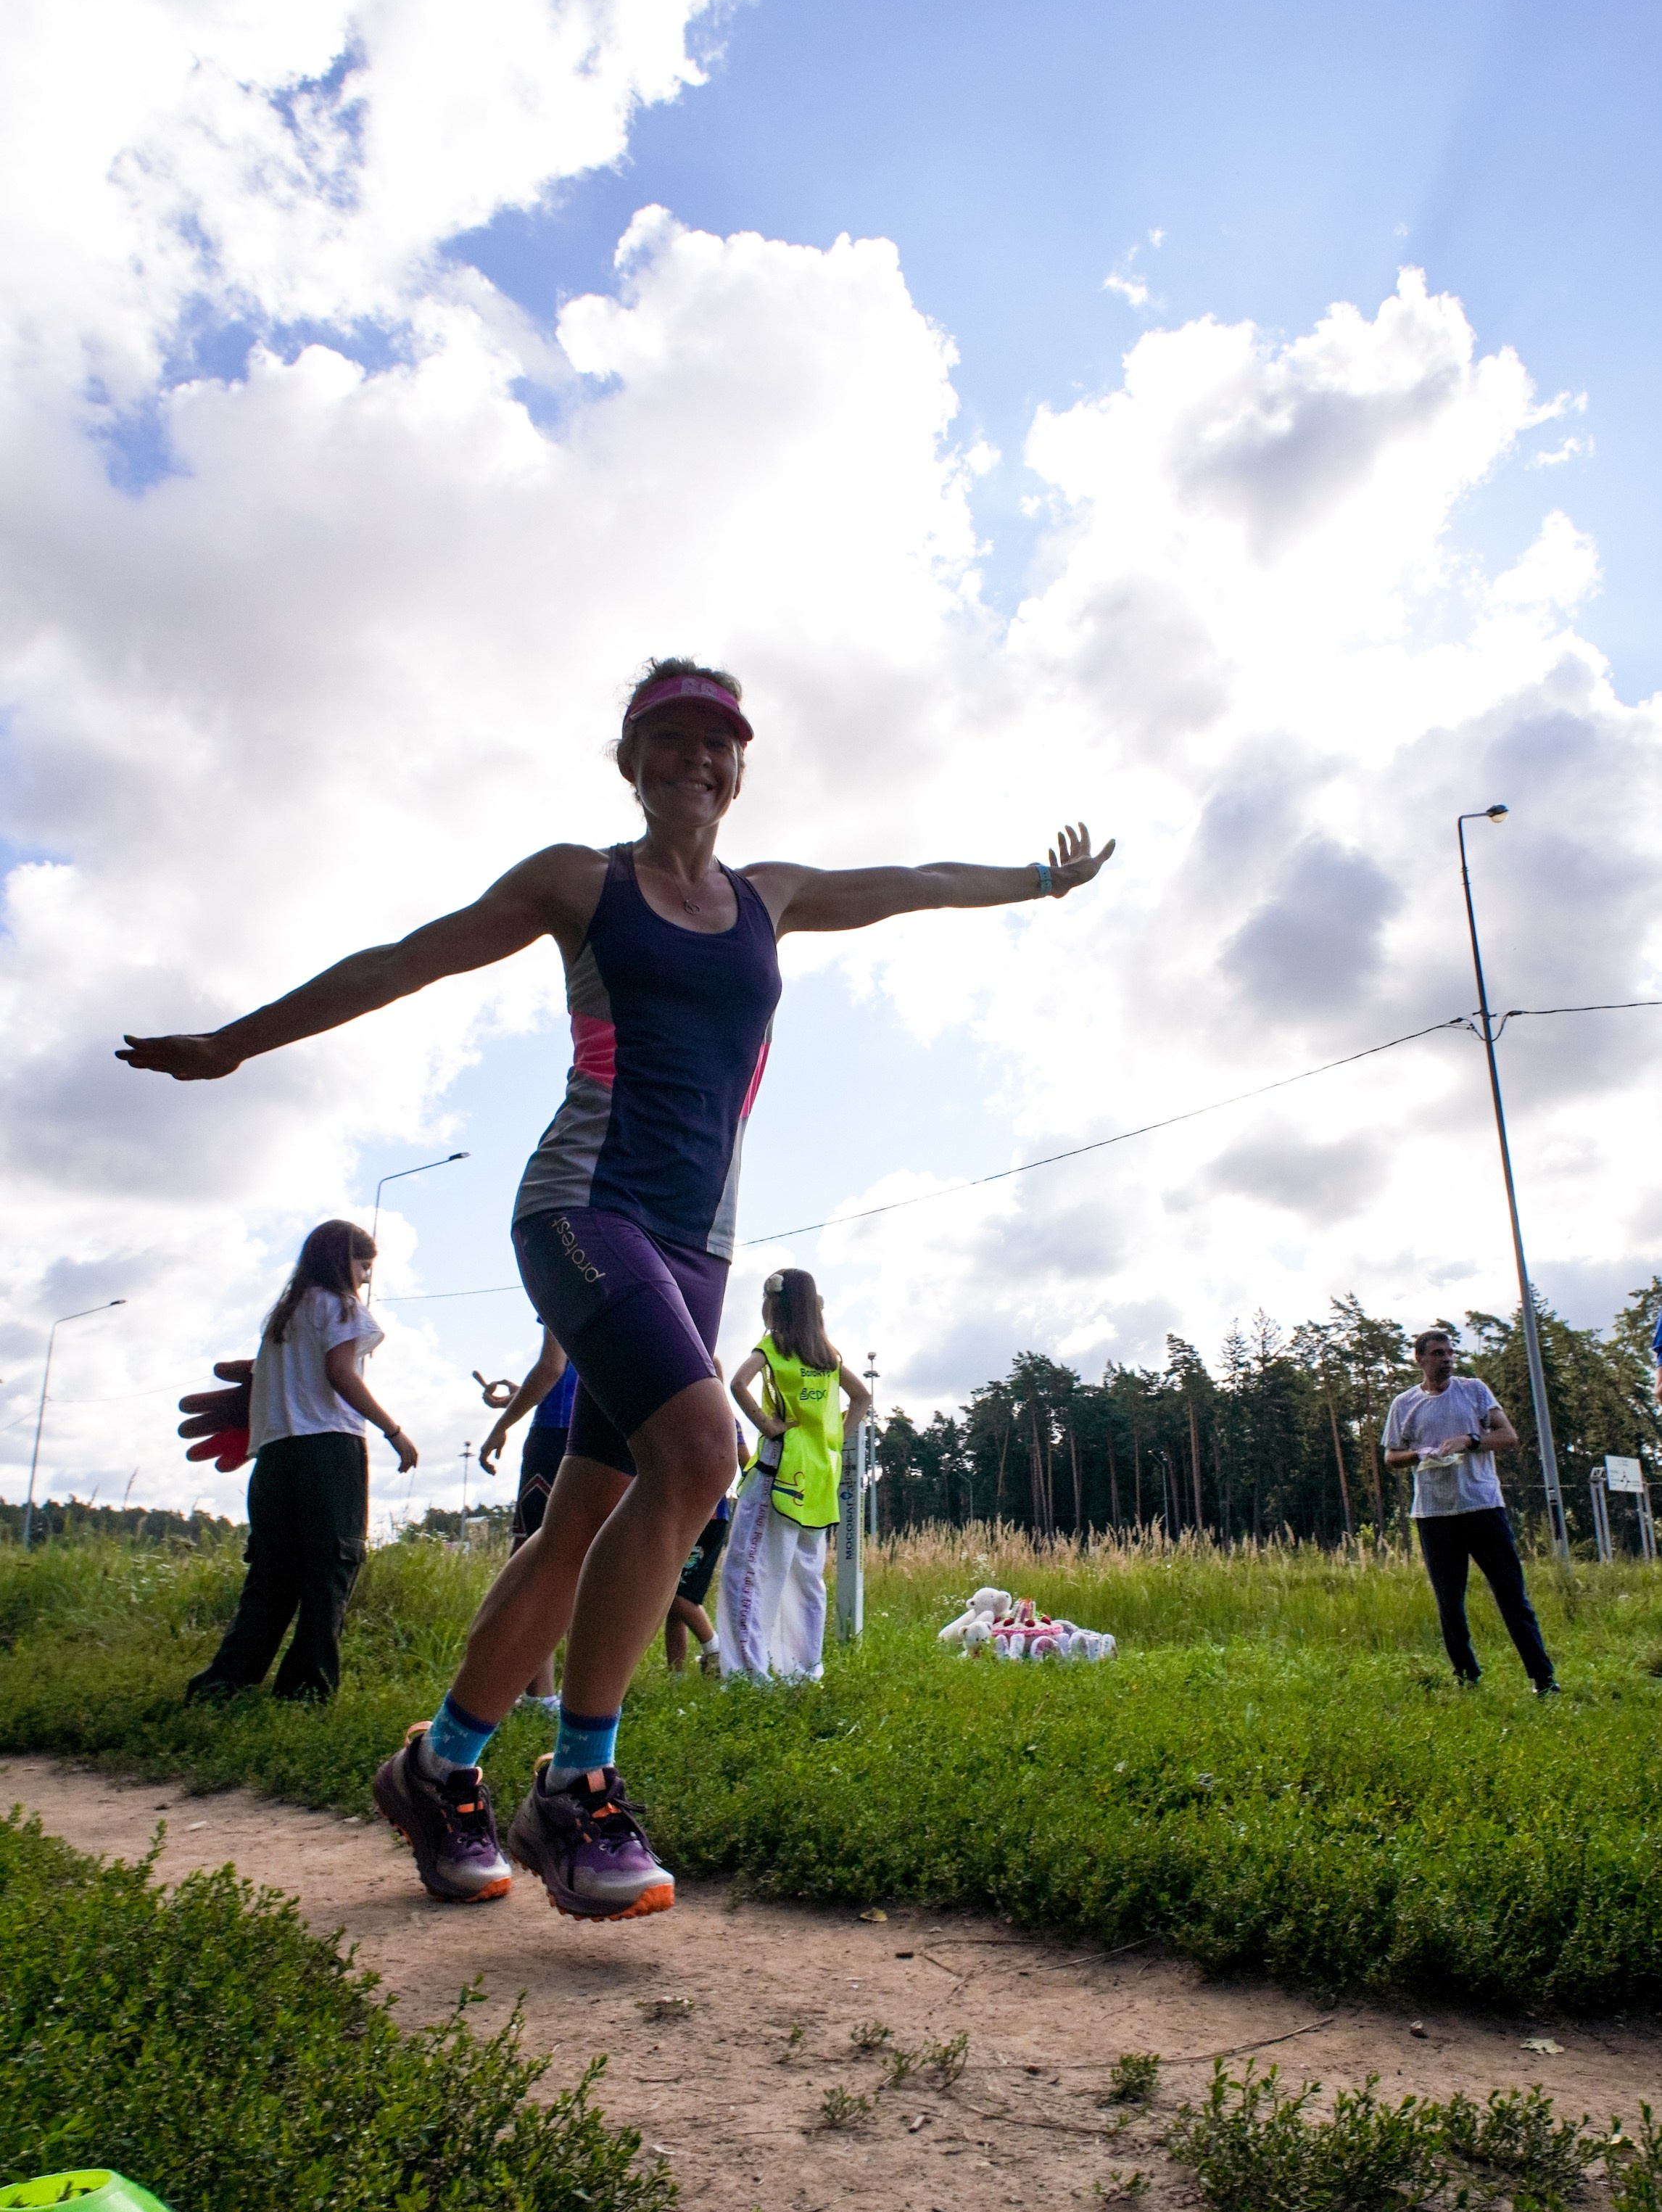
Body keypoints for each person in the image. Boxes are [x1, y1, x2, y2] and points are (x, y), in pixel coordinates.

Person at [118, 653, 1115, 1918]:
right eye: (673, 736)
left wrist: (1039, 879)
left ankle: (440, 1766)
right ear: (632, 759)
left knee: (583, 1517)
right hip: (582, 1212)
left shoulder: (774, 896)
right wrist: (237, 1043)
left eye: (721, 741)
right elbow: (408, 958)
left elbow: (913, 885)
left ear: (740, 769)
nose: (699, 756)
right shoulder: (577, 882)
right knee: (700, 1454)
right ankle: (576, 1788)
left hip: (695, 1250)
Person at [185, 1221, 418, 1704]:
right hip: (329, 1451)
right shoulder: (340, 1306)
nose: (366, 1277)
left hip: (274, 1456)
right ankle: (305, 1689)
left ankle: (225, 1682)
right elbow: (340, 1374)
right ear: (341, 1261)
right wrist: (394, 1431)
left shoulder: (282, 1319)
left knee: (272, 1574)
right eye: (363, 1264)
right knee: (330, 1569)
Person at [1382, 1327, 1558, 1695]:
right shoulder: (1404, 1404)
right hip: (1434, 1514)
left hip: (1482, 1506)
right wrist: (1421, 1454)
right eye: (1437, 1353)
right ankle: (1467, 1677)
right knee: (1449, 1601)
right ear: (1420, 1359)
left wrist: (1471, 1440)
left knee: (1512, 1595)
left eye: (1449, 1352)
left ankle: (1543, 1679)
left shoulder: (1474, 1391)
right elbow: (1391, 1458)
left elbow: (1508, 1437)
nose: (1447, 1358)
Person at [721, 1271, 868, 1680]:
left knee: (749, 1569)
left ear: (777, 1305)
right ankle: (805, 1670)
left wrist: (767, 1426)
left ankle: (749, 1674)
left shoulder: (774, 1347)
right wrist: (834, 1436)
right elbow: (863, 1397)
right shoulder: (827, 1356)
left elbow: (737, 1383)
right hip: (818, 1476)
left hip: (778, 1470)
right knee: (807, 1575)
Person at [477, 1325, 575, 1710]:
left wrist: (500, 1427)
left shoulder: (558, 1271)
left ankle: (542, 1696)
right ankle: (553, 1693)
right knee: (570, 1561)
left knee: (532, 1562)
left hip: (552, 1438)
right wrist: (521, 1396)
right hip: (594, 1432)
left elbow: (551, 1367)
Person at [665, 1364, 748, 1675]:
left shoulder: (688, 1417)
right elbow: (747, 1464)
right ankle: (676, 1678)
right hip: (705, 1517)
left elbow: (745, 1465)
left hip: (703, 1519)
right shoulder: (730, 1420)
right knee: (675, 1600)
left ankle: (715, 1649)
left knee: (673, 1595)